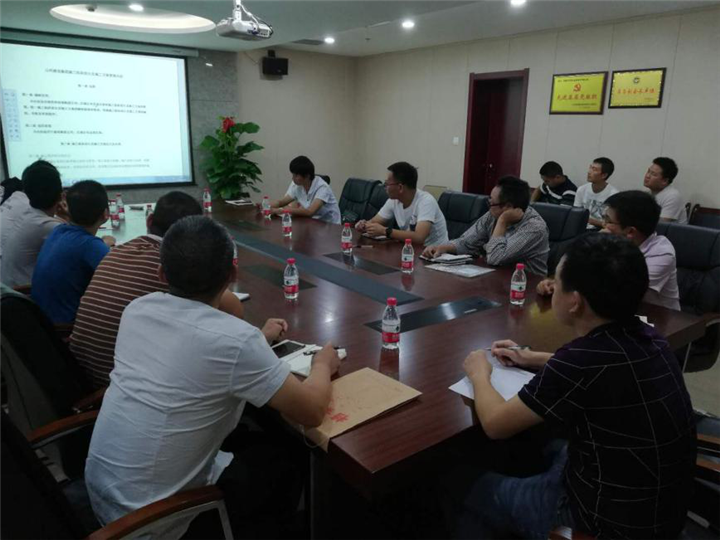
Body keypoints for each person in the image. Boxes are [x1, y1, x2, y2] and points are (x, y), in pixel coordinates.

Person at [85, 215, 340, 540]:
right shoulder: (237, 343)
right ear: (232, 274)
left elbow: (194, 349)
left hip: (104, 496)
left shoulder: (137, 310)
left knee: (256, 434)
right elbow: (311, 411)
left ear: (161, 274)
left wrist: (256, 343)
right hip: (151, 524)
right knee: (286, 456)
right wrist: (322, 364)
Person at [457, 234, 695, 539]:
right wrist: (531, 357)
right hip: (659, 509)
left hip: (599, 522)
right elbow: (598, 367)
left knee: (461, 481)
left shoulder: (580, 361)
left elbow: (495, 424)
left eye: (557, 282)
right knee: (536, 443)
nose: (551, 288)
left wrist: (479, 372)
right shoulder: (651, 338)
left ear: (575, 302)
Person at [70, 191, 249, 389]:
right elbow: (234, 311)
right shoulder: (176, 264)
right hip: (117, 384)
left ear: (149, 221)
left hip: (79, 373)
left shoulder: (117, 251)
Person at [537, 191, 680, 311]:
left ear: (630, 231)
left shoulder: (662, 253)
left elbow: (619, 291)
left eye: (608, 221)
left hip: (658, 319)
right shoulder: (614, 242)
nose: (603, 225)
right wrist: (557, 284)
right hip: (616, 312)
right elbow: (574, 265)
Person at [422, 176, 549, 276]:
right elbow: (467, 242)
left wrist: (502, 221)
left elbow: (495, 258)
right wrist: (443, 247)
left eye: (492, 203)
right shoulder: (493, 214)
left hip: (525, 287)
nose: (489, 205)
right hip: (496, 279)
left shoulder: (534, 227)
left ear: (508, 207)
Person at [31, 180, 115, 324]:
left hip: (40, 321)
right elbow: (118, 278)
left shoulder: (58, 230)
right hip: (66, 328)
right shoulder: (91, 246)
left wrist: (103, 244)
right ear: (105, 214)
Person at [0, 161, 64, 288]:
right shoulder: (45, 224)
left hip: (7, 287)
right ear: (61, 196)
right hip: (22, 293)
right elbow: (79, 241)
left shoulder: (24, 209)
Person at [355, 161, 449, 247]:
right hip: (411, 250)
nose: (385, 187)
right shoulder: (393, 201)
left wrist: (385, 231)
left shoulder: (426, 201)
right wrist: (364, 225)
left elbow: (419, 237)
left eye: (387, 184)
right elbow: (375, 222)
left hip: (435, 254)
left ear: (400, 187)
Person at [268, 155, 341, 224]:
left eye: (296, 175)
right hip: (312, 223)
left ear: (307, 176)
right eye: (293, 174)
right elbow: (281, 202)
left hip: (330, 226)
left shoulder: (322, 187)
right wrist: (267, 206)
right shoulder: (297, 185)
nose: (292, 178)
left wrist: (283, 210)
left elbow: (310, 211)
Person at [573, 157, 618, 229]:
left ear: (604, 175)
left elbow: (612, 225)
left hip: (601, 231)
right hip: (580, 228)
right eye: (590, 168)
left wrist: (590, 221)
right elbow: (575, 214)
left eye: (594, 169)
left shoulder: (613, 195)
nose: (589, 172)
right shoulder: (582, 189)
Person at [644, 157, 687, 224]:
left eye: (653, 174)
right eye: (648, 171)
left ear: (664, 181)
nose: (647, 176)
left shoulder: (672, 196)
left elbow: (661, 225)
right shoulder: (647, 193)